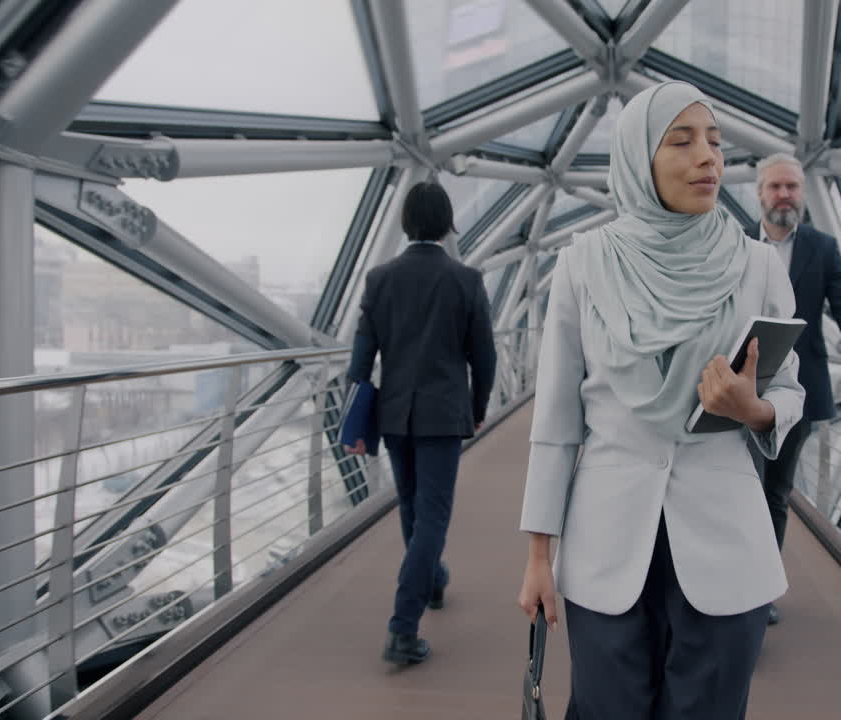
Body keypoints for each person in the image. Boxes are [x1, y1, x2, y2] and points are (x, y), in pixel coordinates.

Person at [517, 81, 805, 720]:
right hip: (604, 542)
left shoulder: (757, 266)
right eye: (682, 141)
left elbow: (789, 391)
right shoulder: (585, 264)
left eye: (715, 142)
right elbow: (557, 420)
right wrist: (539, 556)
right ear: (637, 158)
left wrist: (752, 409)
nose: (708, 157)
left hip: (727, 545)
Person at [345, 181, 496, 665]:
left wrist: (355, 423)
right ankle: (402, 628)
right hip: (443, 414)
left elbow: (360, 361)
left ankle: (431, 580)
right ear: (447, 222)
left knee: (412, 507)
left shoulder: (379, 279)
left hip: (394, 415)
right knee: (432, 514)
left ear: (407, 223)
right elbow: (484, 358)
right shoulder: (465, 280)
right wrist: (475, 407)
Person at [749, 153, 841, 626]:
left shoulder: (822, 248)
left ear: (802, 193)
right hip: (742, 390)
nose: (785, 195)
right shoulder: (735, 242)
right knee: (737, 488)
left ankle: (761, 592)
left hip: (799, 393)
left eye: (793, 187)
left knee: (776, 493)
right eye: (776, 187)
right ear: (760, 193)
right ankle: (728, 584)